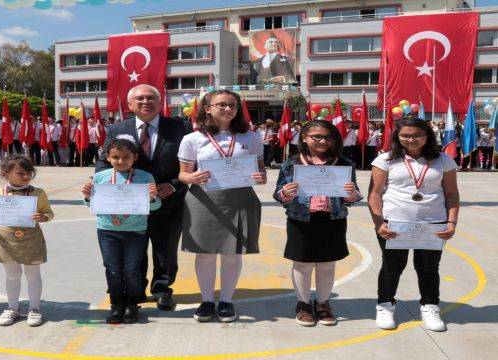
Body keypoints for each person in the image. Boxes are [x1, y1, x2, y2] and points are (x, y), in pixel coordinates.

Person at [96, 84, 192, 310]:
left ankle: (162, 289)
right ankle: (136, 289)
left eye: (151, 98)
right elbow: (103, 162)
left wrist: (174, 184)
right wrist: (103, 185)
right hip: (130, 205)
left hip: (168, 201)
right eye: (139, 98)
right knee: (134, 250)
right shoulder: (117, 129)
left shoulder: (180, 127)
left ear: (160, 103)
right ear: (130, 105)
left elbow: (191, 163)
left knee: (165, 250)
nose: (145, 101)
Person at [178, 90, 266, 322]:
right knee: (205, 255)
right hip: (204, 200)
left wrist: (261, 177)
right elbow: (183, 175)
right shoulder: (192, 139)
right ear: (207, 108)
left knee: (232, 254)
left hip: (240, 200)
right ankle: (207, 301)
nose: (228, 109)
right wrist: (193, 178)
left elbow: (261, 171)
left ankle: (226, 301)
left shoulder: (251, 137)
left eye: (233, 105)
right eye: (221, 105)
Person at [368, 117, 459, 332]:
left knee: (428, 267)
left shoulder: (443, 160)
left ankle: (429, 306)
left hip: (432, 223)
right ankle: (385, 305)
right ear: (397, 137)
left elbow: (452, 194)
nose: (412, 139)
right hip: (394, 223)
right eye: (405, 135)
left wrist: (452, 222)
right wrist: (379, 222)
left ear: (427, 136)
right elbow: (374, 194)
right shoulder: (385, 160)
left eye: (418, 135)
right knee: (392, 266)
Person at [273, 120, 362, 327]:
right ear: (304, 137)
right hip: (301, 219)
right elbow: (278, 193)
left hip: (332, 220)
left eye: (328, 137)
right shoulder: (291, 163)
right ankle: (303, 304)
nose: (322, 141)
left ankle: (323, 304)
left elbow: (354, 195)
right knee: (302, 263)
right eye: (317, 137)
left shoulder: (344, 164)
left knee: (327, 264)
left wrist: (351, 194)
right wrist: (285, 193)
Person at [82, 139, 161, 324]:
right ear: (108, 158)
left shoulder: (145, 177)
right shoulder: (100, 178)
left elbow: (156, 206)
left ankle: (132, 305)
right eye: (115, 157)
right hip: (107, 230)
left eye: (126, 157)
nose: (121, 161)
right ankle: (116, 304)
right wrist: (87, 196)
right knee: (113, 269)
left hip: (135, 231)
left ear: (135, 157)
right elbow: (91, 204)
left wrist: (151, 198)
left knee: (133, 269)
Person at [0, 156, 53, 327]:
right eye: (21, 173)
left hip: (31, 238)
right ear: (5, 174)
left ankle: (35, 308)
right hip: (6, 239)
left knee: (33, 274)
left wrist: (44, 216)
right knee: (12, 274)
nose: (26, 176)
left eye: (30, 173)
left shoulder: (38, 193)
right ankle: (13, 307)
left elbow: (49, 212)